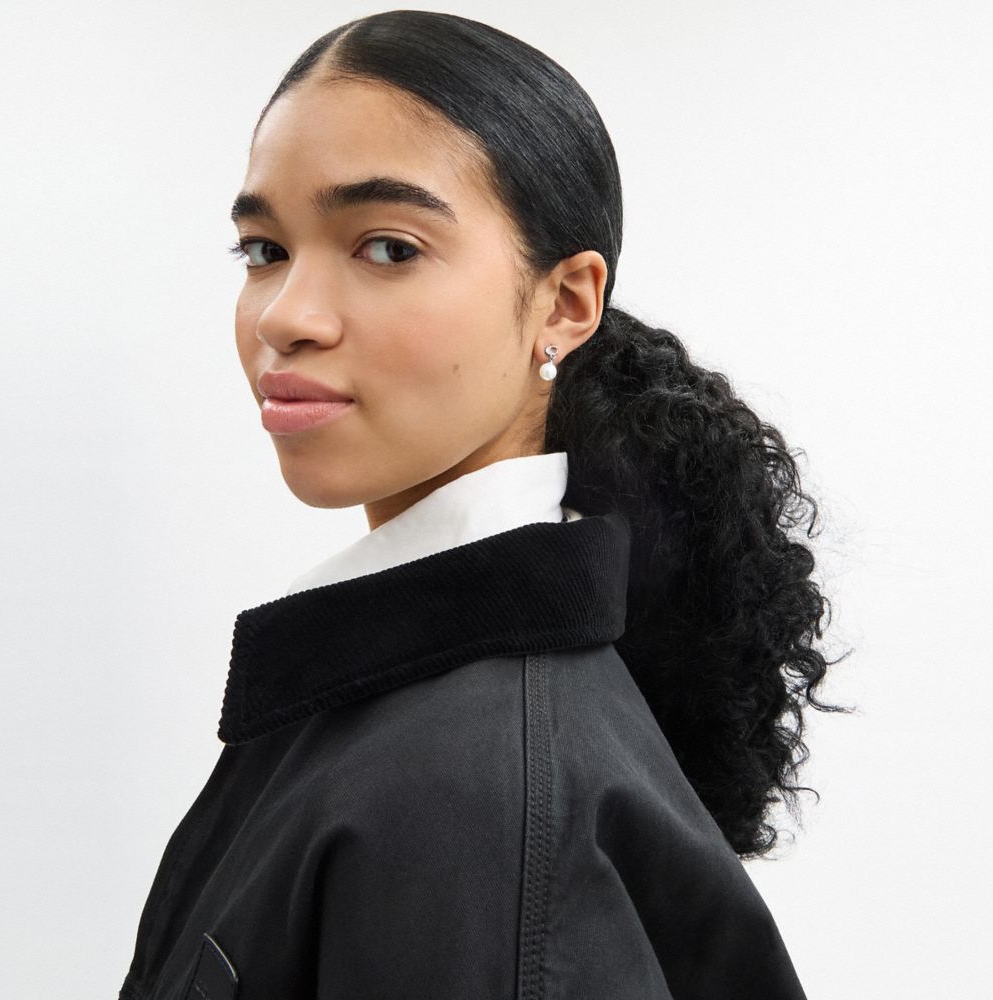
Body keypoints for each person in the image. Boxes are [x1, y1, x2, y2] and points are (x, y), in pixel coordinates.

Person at [119, 10, 846, 999]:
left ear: (565, 303)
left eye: (387, 248)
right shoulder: (418, 705)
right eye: (263, 249)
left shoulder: (467, 790)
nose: (285, 316)